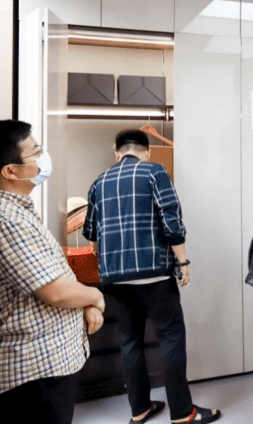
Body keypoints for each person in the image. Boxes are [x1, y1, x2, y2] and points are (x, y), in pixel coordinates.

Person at [83, 129, 220, 424]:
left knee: (129, 341)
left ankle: (140, 409)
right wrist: (182, 262)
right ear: (147, 152)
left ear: (116, 151)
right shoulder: (154, 171)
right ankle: (182, 413)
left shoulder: (98, 182)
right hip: (155, 274)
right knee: (170, 338)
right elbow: (172, 220)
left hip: (115, 279)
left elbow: (91, 236)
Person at [0, 119, 105, 424]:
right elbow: (55, 291)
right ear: (10, 171)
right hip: (36, 373)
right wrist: (94, 296)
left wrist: (83, 302)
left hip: (48, 366)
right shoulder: (8, 220)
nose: (44, 157)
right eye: (36, 152)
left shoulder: (20, 210)